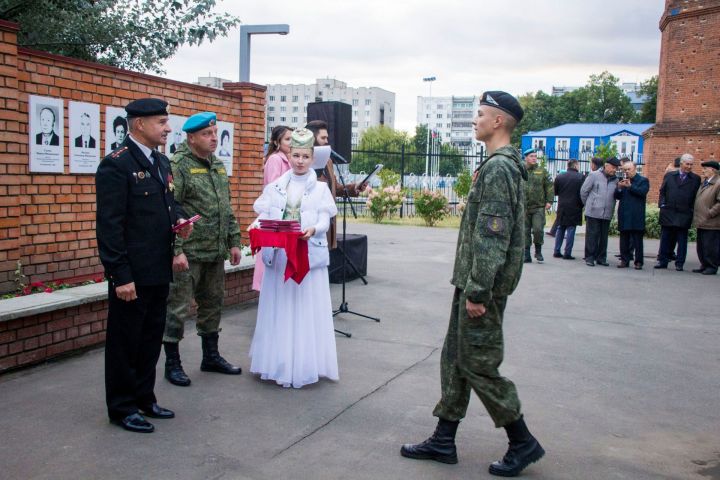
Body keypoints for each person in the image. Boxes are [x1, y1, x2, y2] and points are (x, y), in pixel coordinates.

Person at [400, 91, 544, 477]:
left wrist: (478, 290)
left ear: (498, 122)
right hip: (472, 284)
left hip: (481, 287)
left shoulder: (499, 168)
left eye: (480, 114)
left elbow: (492, 236)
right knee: (458, 360)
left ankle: (522, 441)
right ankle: (444, 439)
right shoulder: (503, 164)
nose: (474, 120)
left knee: (479, 364)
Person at [96, 98, 192, 433]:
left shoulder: (162, 163)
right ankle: (122, 407)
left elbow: (169, 204)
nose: (168, 128)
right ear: (139, 124)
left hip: (157, 269)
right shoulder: (116, 165)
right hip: (131, 274)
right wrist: (120, 275)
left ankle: (144, 398)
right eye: (161, 122)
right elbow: (110, 227)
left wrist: (180, 219)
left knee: (150, 338)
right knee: (125, 342)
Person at [249, 128, 339, 388]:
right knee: (281, 307)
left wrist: (315, 229)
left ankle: (305, 363)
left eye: (305, 156)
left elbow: (325, 217)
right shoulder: (276, 186)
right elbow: (264, 214)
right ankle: (277, 362)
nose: (299, 161)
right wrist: (255, 225)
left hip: (308, 258)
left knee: (305, 308)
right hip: (279, 258)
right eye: (295, 155)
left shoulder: (321, 188)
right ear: (289, 155)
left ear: (312, 158)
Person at [163, 112, 243, 387]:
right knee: (177, 308)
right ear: (191, 137)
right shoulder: (179, 165)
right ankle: (172, 363)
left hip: (214, 251)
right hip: (190, 252)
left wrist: (234, 241)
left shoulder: (218, 165)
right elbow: (171, 210)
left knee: (213, 304)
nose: (213, 138)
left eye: (214, 133)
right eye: (207, 134)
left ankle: (211, 356)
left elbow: (226, 208)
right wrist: (177, 250)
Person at [305, 119, 367, 248]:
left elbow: (336, 188)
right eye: (323, 137)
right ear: (312, 138)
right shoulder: (302, 161)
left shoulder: (328, 161)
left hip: (327, 220)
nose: (327, 141)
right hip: (310, 222)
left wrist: (355, 186)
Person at [252, 125, 293, 291]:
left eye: (293, 139)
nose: (291, 143)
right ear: (277, 142)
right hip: (275, 216)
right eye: (287, 139)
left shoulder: (288, 159)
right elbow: (274, 187)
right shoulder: (276, 159)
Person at [655, 153, 701, 271]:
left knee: (682, 240)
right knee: (665, 238)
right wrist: (662, 204)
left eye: (691, 164)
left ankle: (679, 263)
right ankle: (663, 261)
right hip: (668, 212)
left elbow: (696, 196)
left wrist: (691, 209)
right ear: (681, 164)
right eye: (687, 164)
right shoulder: (670, 175)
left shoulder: (695, 179)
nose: (689, 167)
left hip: (684, 213)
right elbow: (663, 191)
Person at [581, 157, 620, 267]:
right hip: (593, 211)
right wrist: (589, 205)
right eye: (613, 168)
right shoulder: (594, 175)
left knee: (603, 237)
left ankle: (601, 258)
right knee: (592, 236)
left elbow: (616, 195)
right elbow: (584, 191)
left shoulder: (615, 180)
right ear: (606, 166)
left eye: (616, 168)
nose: (614, 170)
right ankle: (590, 257)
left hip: (607, 212)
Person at [614, 160, 650, 269]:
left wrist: (630, 187)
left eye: (629, 169)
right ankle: (624, 260)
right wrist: (619, 188)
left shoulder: (643, 180)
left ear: (634, 169)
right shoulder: (623, 180)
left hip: (636, 214)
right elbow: (617, 196)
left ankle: (638, 261)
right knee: (624, 239)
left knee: (637, 240)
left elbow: (642, 192)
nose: (626, 172)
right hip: (624, 213)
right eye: (624, 170)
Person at [522, 148, 553, 263]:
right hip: (524, 206)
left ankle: (538, 251)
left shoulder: (542, 171)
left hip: (538, 207)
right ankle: (526, 254)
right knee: (525, 231)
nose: (534, 158)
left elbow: (549, 186)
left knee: (538, 229)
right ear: (526, 158)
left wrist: (549, 201)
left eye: (535, 156)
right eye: (531, 156)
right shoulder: (521, 171)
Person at [692, 161, 720, 275]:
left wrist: (710, 213)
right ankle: (704, 264)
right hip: (702, 220)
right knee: (702, 245)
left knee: (710, 246)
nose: (703, 171)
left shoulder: (718, 183)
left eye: (705, 169)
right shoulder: (705, 182)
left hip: (712, 222)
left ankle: (712, 266)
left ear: (712, 170)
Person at [553, 159, 584, 259]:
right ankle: (567, 252)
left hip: (562, 205)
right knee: (571, 229)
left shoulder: (560, 176)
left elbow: (555, 191)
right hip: (575, 206)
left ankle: (557, 250)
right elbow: (583, 192)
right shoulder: (581, 177)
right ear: (575, 165)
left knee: (560, 228)